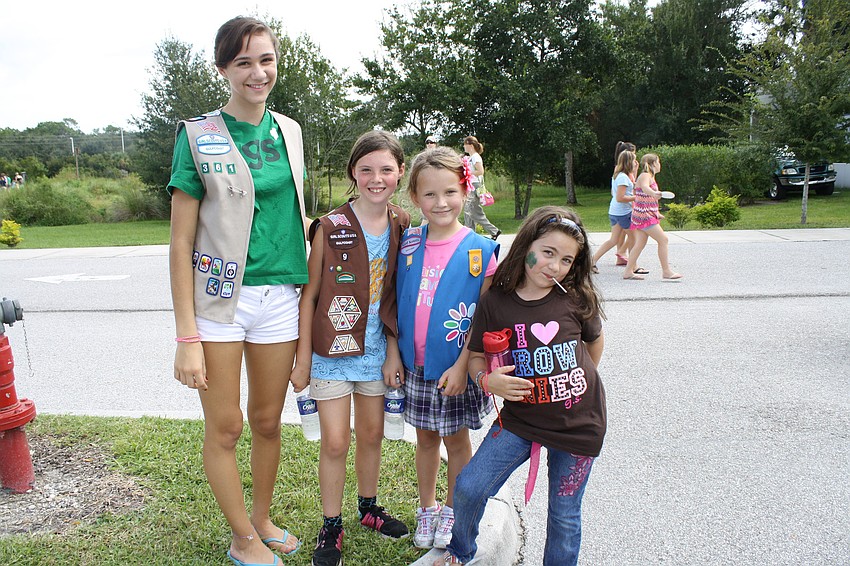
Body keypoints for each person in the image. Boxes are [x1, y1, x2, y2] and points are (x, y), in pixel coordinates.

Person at [167, 16, 308, 566]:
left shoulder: (289, 130)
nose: (258, 72)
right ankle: (241, 535)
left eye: (266, 59)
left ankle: (263, 516)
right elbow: (180, 243)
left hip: (281, 298)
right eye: (244, 62)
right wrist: (187, 335)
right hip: (221, 302)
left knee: (269, 421)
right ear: (224, 68)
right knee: (226, 427)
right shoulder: (197, 135)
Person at [436, 206, 606, 566]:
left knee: (563, 515)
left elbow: (594, 344)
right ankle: (460, 551)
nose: (554, 266)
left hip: (579, 425)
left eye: (566, 260)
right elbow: (478, 356)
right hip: (519, 421)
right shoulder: (496, 301)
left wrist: (572, 382)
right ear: (527, 245)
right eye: (547, 253)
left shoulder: (575, 298)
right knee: (469, 487)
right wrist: (486, 380)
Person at [291, 130, 411, 566]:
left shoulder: (403, 224)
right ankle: (331, 524)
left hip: (378, 351)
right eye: (366, 169)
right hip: (331, 351)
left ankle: (368, 508)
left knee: (373, 435)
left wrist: (394, 352)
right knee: (337, 441)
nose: (376, 178)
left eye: (386, 169)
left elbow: (399, 294)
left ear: (400, 172)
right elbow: (309, 295)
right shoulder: (331, 225)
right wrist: (302, 357)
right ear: (353, 174)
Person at [394, 147, 499, 550]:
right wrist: (393, 353)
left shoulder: (481, 250)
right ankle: (427, 507)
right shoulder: (407, 243)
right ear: (415, 197)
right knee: (424, 439)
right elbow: (394, 301)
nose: (441, 203)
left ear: (465, 191)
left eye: (451, 192)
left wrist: (461, 365)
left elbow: (481, 319)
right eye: (430, 195)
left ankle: (454, 507)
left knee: (456, 439)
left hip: (454, 368)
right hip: (416, 366)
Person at [623, 153, 683, 280]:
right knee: (663, 240)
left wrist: (657, 213)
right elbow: (644, 188)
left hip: (643, 214)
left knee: (640, 243)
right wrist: (654, 193)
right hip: (644, 216)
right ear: (653, 164)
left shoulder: (650, 176)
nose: (660, 164)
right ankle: (666, 271)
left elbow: (644, 197)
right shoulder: (645, 175)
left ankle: (628, 271)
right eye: (658, 162)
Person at [591, 150, 647, 274]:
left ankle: (592, 261)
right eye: (633, 160)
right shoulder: (622, 177)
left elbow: (633, 185)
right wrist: (637, 198)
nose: (635, 162)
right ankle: (633, 266)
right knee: (634, 239)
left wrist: (635, 171)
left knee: (614, 240)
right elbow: (620, 198)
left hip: (615, 212)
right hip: (623, 213)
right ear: (628, 162)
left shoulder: (620, 175)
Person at [462, 136, 500, 240]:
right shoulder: (470, 157)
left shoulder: (475, 157)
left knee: (470, 210)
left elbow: (480, 171)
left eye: (465, 144)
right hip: (471, 185)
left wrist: (467, 173)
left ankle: (493, 231)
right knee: (471, 211)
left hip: (475, 186)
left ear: (470, 145)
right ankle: (470, 234)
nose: (464, 147)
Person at [611, 141, 636, 265]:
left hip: (620, 207)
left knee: (619, 235)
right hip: (623, 207)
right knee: (632, 234)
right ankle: (623, 254)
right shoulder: (622, 173)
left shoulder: (620, 171)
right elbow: (628, 189)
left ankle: (621, 256)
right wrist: (635, 198)